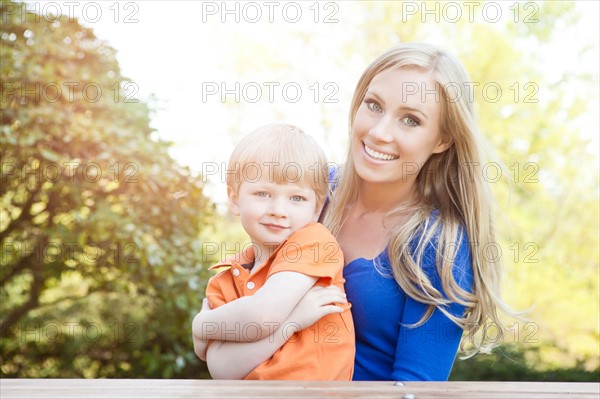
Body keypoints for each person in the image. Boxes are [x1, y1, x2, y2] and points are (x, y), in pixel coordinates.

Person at [193, 42, 513, 381]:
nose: (379, 133)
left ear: (442, 140)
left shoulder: (440, 247)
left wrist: (205, 325)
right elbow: (245, 310)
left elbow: (415, 387)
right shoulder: (309, 194)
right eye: (373, 105)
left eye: (410, 120)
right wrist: (209, 326)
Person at [192, 124, 355, 380]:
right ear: (235, 200)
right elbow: (222, 369)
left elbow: (261, 317)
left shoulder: (314, 243)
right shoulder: (226, 278)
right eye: (263, 193)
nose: (279, 209)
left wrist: (201, 325)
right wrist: (291, 324)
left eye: (296, 198)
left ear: (316, 208)